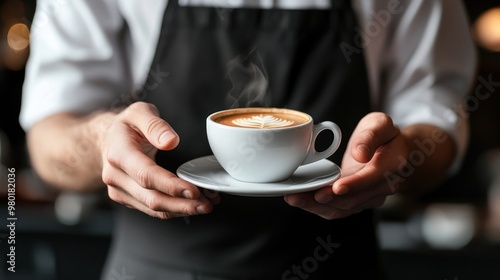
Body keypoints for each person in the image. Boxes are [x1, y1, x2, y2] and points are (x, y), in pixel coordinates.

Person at [20, 0, 477, 279]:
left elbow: (435, 109)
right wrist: (101, 140)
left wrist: (403, 155)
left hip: (340, 268)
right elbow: (48, 137)